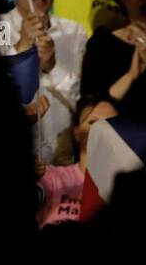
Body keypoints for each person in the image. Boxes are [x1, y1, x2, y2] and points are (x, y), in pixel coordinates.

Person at [0, 0, 88, 164]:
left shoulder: (75, 32)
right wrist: (22, 45)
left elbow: (83, 104)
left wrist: (53, 66)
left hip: (62, 164)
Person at [35, 94, 117, 228]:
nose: (103, 130)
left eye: (112, 123)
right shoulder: (53, 177)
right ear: (76, 132)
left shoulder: (125, 188)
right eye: (93, 122)